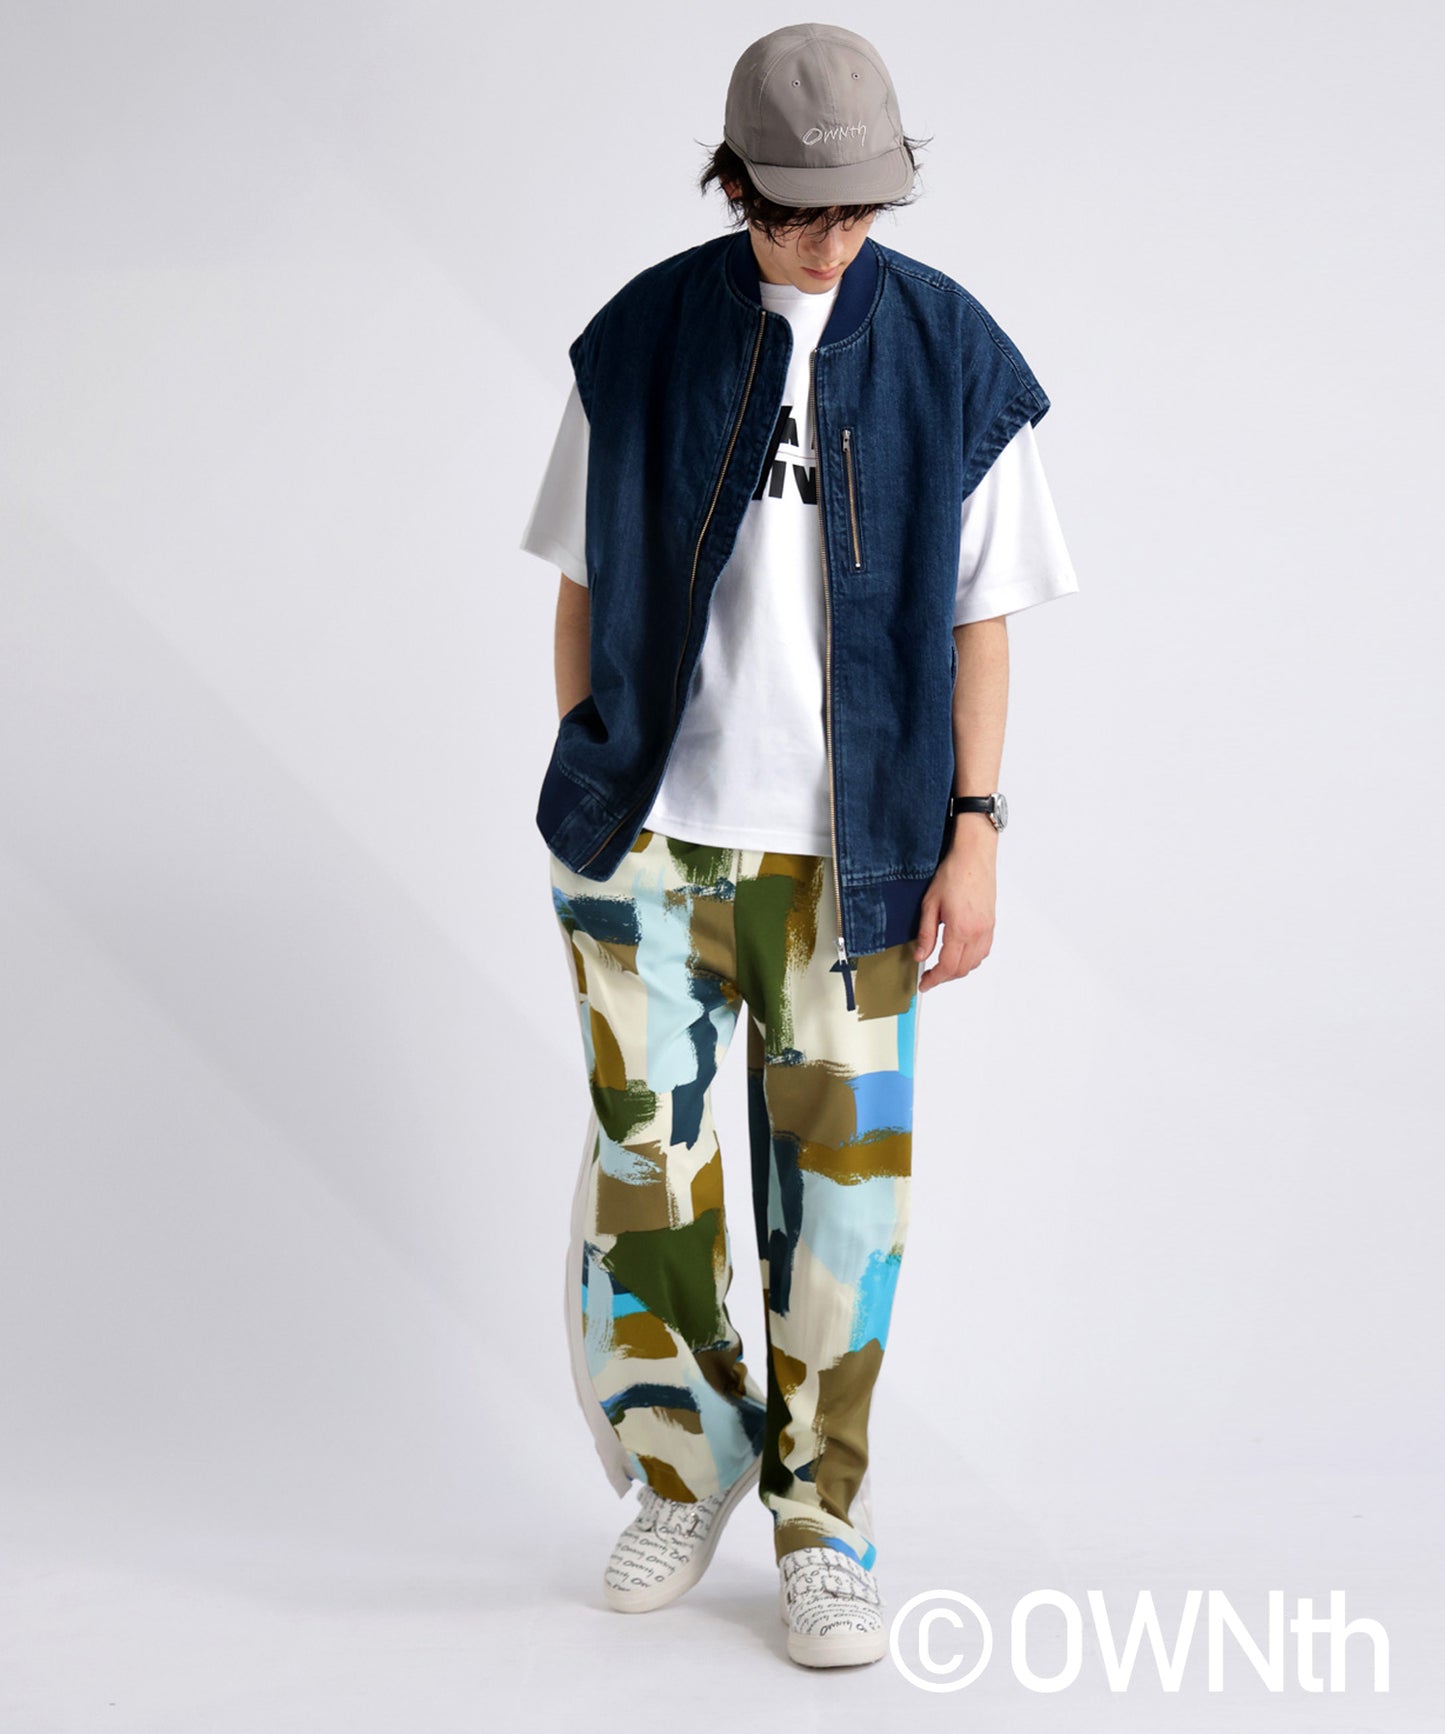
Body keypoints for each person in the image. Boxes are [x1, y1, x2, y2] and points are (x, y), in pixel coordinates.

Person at [520, 21, 1078, 1669]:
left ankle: (823, 1521)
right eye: (795, 214)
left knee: (841, 1215)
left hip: (860, 864)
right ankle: (679, 1471)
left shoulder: (951, 354)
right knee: (650, 1184)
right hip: (652, 852)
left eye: (855, 213)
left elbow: (981, 624)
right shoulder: (638, 341)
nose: (828, 243)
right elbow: (577, 587)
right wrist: (595, 791)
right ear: (734, 185)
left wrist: (973, 835)